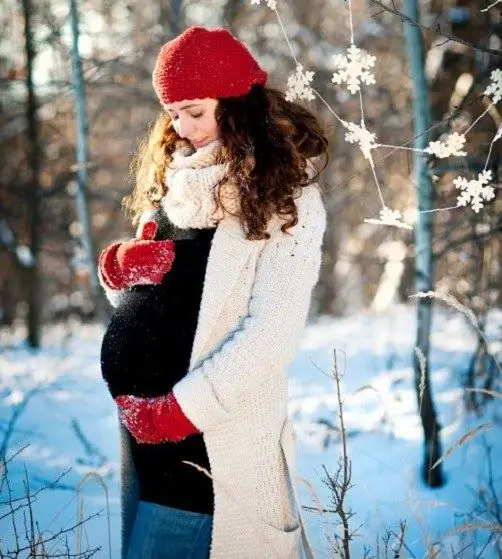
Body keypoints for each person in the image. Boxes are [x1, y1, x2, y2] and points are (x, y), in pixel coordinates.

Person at [97, 25, 328, 559]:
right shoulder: (175, 187)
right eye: (173, 113)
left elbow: (270, 334)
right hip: (152, 453)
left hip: (213, 454)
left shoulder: (285, 201)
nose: (182, 128)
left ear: (235, 103)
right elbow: (168, 309)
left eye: (194, 111)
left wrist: (179, 411)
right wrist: (120, 273)